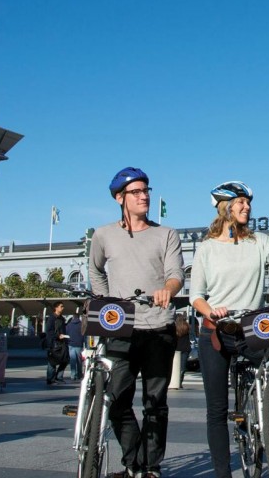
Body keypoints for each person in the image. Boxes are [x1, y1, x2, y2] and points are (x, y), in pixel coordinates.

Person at [190, 181, 269, 478]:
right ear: (225, 208)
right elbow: (196, 294)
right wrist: (211, 310)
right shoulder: (206, 249)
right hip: (216, 330)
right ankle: (223, 473)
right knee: (216, 411)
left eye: (248, 202)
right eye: (240, 202)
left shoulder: (258, 241)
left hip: (252, 329)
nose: (247, 206)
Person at [89, 167, 185, 478]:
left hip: (158, 327)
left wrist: (166, 291)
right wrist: (106, 303)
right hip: (121, 329)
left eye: (146, 190)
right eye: (136, 192)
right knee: (116, 400)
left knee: (155, 403)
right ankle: (134, 464)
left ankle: (151, 468)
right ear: (120, 198)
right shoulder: (103, 235)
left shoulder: (166, 234)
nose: (144, 196)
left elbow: (176, 275)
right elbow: (95, 271)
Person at [45, 301, 67, 385]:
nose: (63, 308)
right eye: (61, 306)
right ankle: (50, 379)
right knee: (52, 361)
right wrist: (58, 336)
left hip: (62, 342)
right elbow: (49, 331)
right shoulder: (51, 318)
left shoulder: (62, 318)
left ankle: (59, 377)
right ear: (56, 308)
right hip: (53, 343)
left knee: (65, 360)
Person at [65, 312, 85, 381]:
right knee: (79, 361)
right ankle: (79, 374)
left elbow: (66, 333)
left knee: (72, 360)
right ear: (78, 317)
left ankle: (73, 375)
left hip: (71, 344)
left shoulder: (69, 325)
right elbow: (84, 335)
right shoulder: (81, 325)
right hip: (79, 345)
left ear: (73, 317)